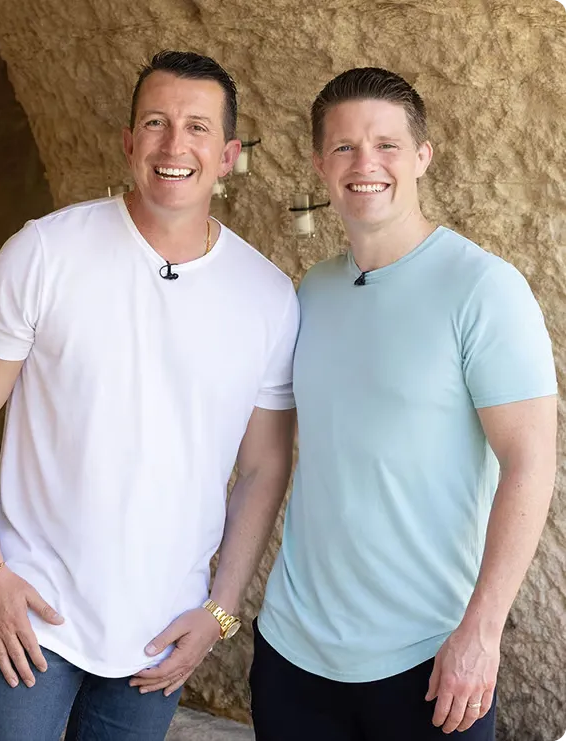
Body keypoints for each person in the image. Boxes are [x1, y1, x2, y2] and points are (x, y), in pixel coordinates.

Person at [0, 50, 298, 741]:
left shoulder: (268, 296)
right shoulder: (44, 253)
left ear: (227, 157)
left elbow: (263, 465)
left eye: (197, 128)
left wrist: (220, 610)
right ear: (130, 142)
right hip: (31, 612)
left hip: (160, 632)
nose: (173, 145)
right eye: (156, 123)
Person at [250, 67, 557, 740]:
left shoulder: (484, 288)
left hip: (431, 658)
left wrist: (481, 632)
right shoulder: (312, 291)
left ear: (422, 156)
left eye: (386, 144)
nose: (365, 164)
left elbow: (530, 462)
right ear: (319, 163)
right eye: (344, 146)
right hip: (293, 654)